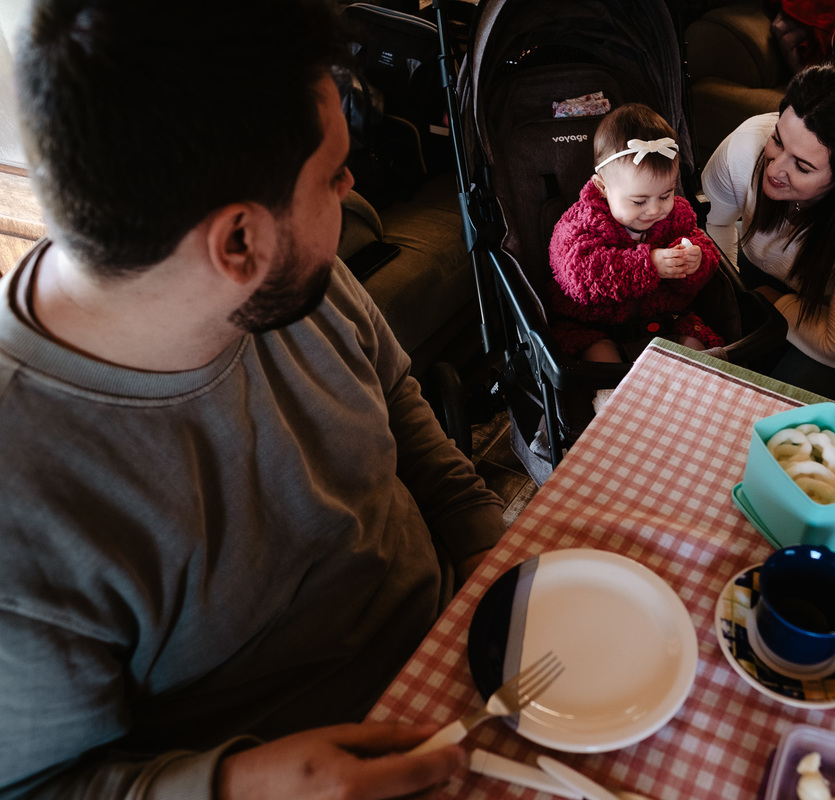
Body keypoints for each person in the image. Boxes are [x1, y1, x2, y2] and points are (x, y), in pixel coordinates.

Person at [1, 1, 506, 797]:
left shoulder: (286, 277)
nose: (352, 190)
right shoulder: (22, 511)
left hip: (465, 648)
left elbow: (393, 394)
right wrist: (233, 785)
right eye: (336, 177)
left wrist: (485, 544)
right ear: (238, 243)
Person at [701, 57, 835, 399]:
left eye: (802, 167)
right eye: (778, 141)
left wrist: (768, 300)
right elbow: (714, 223)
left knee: (771, 405)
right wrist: (736, 294)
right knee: (710, 376)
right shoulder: (747, 144)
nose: (774, 169)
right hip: (756, 274)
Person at [548, 103, 725, 364]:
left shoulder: (677, 213)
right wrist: (649, 265)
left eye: (665, 195)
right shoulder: (581, 223)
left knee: (699, 348)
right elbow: (580, 276)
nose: (654, 209)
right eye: (639, 201)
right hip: (595, 326)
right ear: (603, 187)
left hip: (668, 319)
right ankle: (615, 397)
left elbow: (699, 242)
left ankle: (698, 392)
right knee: (601, 361)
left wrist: (694, 259)